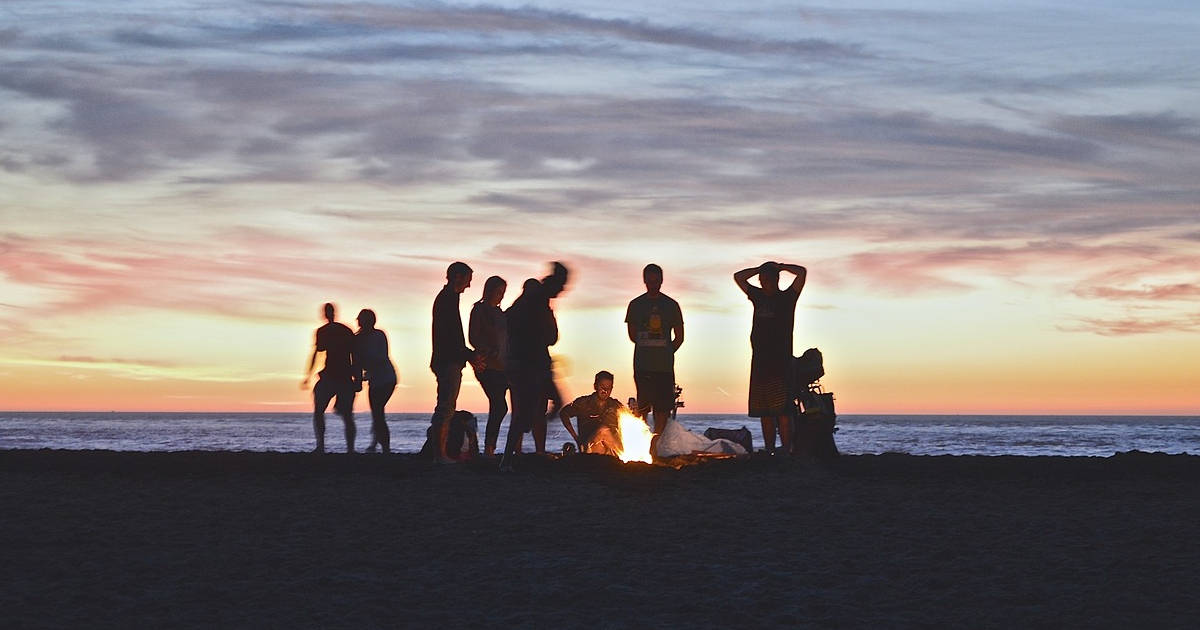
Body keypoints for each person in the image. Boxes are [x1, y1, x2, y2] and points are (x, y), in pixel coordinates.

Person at [499, 263, 569, 471]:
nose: (563, 290)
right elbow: (550, 336)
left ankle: (511, 455)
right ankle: (508, 458)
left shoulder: (533, 301)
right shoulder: (537, 301)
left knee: (543, 407)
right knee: (532, 411)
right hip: (530, 364)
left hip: (529, 363)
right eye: (562, 285)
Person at [734, 261, 807, 455]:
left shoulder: (787, 298)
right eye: (761, 279)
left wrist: (781, 266)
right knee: (764, 411)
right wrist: (759, 269)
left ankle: (786, 449)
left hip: (781, 362)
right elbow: (738, 277)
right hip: (759, 362)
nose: (764, 282)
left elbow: (802, 273)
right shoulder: (757, 296)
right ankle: (769, 449)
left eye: (767, 279)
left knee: (783, 411)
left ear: (776, 280)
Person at [430, 262, 482, 463]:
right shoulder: (446, 300)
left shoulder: (449, 299)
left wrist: (467, 355)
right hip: (447, 360)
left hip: (448, 359)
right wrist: (469, 355)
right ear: (457, 277)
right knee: (445, 407)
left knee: (446, 405)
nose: (468, 286)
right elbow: (451, 336)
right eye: (467, 280)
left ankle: (440, 454)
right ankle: (439, 455)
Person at [625, 263, 684, 434]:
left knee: (663, 407)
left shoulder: (672, 305)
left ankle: (657, 442)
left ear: (662, 281)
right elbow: (632, 335)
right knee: (643, 406)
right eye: (650, 281)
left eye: (656, 281)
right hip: (643, 365)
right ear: (644, 280)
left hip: (664, 367)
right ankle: (643, 440)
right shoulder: (635, 304)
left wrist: (666, 352)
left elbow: (679, 337)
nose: (653, 284)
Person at [301, 302, 358, 453]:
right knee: (326, 412)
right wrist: (308, 375)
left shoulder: (334, 331)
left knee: (342, 414)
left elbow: (354, 354)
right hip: (334, 376)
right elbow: (317, 352)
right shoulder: (335, 331)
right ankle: (325, 446)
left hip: (341, 376)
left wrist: (357, 377)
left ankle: (335, 447)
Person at [469, 275, 508, 458]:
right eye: (498, 291)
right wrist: (487, 350)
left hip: (503, 366)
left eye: (503, 292)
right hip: (487, 365)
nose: (500, 296)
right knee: (499, 405)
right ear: (489, 290)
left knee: (500, 406)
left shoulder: (501, 314)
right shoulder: (479, 310)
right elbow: (473, 336)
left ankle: (494, 448)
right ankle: (489, 448)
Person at [355, 308, 397, 454]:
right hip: (375, 378)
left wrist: (362, 376)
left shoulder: (378, 335)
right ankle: (375, 444)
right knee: (377, 413)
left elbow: (381, 357)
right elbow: (358, 362)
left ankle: (385, 447)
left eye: (360, 318)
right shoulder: (358, 338)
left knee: (378, 413)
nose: (357, 321)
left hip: (386, 378)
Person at [560, 371, 625, 455]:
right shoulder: (583, 403)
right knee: (603, 431)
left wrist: (634, 411)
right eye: (602, 387)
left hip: (611, 450)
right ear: (595, 386)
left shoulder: (615, 405)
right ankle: (623, 456)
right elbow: (564, 413)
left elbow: (631, 418)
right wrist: (576, 438)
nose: (605, 391)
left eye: (608, 388)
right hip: (591, 448)